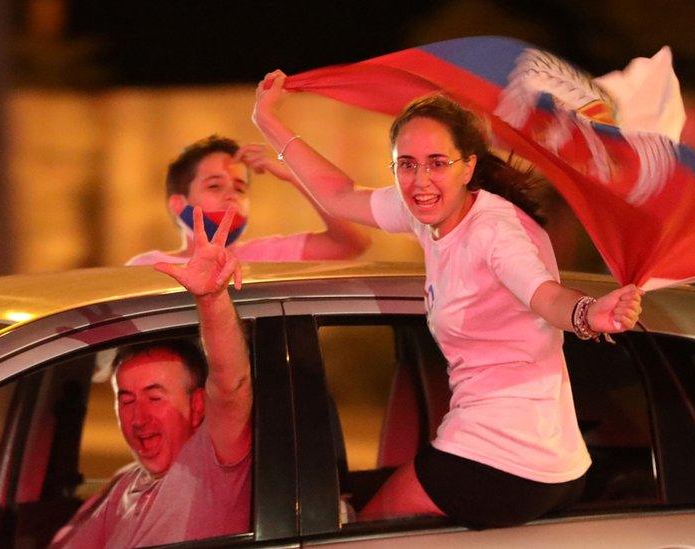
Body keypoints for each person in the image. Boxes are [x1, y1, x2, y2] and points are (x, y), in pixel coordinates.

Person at [252, 70, 643, 529]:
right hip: (537, 455)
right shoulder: (430, 211)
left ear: (468, 165)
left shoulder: (494, 232)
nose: (421, 180)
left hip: (502, 458)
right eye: (407, 164)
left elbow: (544, 295)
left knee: (357, 534)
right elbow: (340, 195)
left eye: (437, 162)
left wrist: (589, 313)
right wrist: (267, 119)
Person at [54, 208, 253, 547]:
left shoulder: (212, 464)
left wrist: (211, 299)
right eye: (126, 399)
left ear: (197, 405)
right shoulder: (124, 485)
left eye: (154, 396)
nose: (138, 418)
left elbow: (231, 386)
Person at [126, 135, 370, 265]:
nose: (231, 195)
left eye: (240, 188)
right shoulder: (149, 267)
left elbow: (352, 243)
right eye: (214, 185)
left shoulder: (267, 257)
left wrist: (295, 177)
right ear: (178, 204)